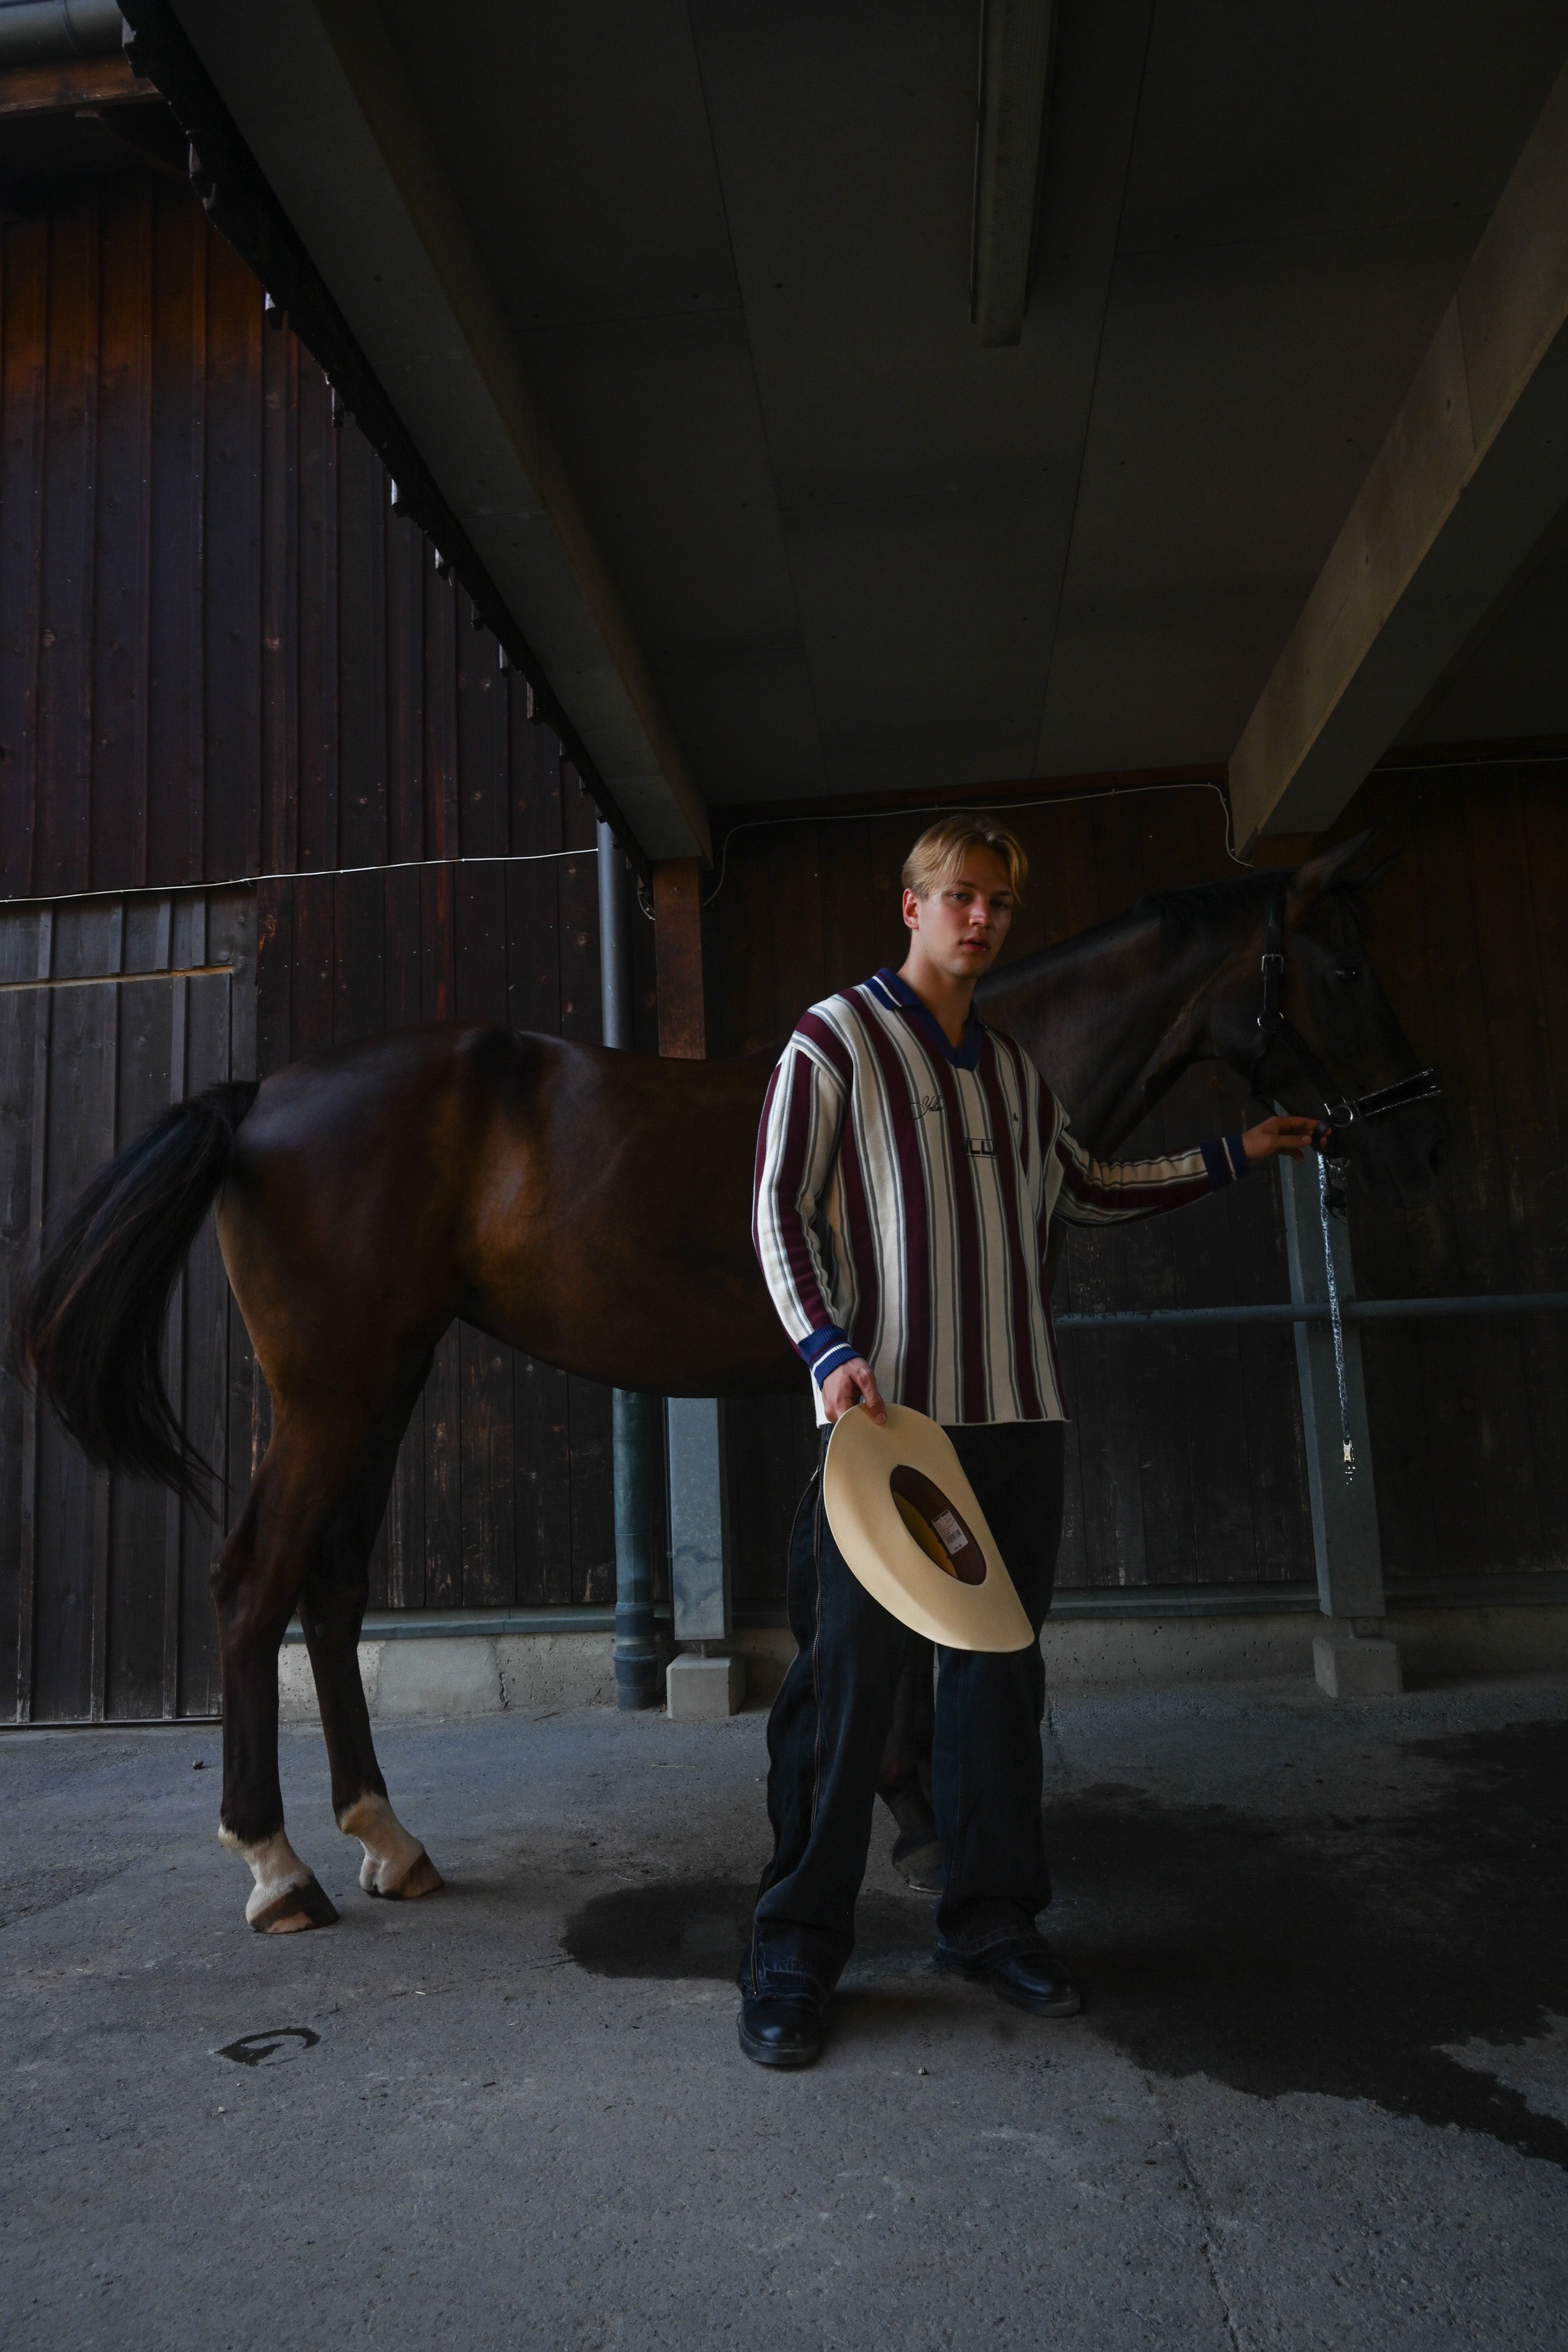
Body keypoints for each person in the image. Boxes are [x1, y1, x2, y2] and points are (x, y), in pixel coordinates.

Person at [740, 814, 1320, 2069]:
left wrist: (1236, 1152)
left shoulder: (1011, 1070)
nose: (980, 917)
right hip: (891, 1431)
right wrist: (828, 1351)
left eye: (997, 901)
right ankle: (793, 1943)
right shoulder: (832, 1038)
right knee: (848, 1688)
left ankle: (991, 1918)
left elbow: (1089, 1188)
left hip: (1020, 1426)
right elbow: (777, 1209)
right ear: (910, 906)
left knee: (998, 1684)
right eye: (957, 895)